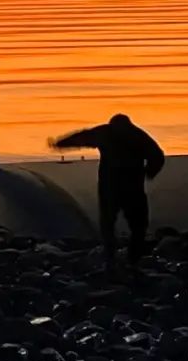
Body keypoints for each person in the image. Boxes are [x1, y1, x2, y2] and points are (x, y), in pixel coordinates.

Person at [50, 114, 166, 266]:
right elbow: (157, 156)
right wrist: (149, 172)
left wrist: (60, 144)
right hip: (131, 187)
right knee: (137, 225)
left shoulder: (106, 132)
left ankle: (112, 256)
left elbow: (82, 137)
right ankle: (132, 258)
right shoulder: (137, 135)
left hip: (111, 187)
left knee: (109, 223)